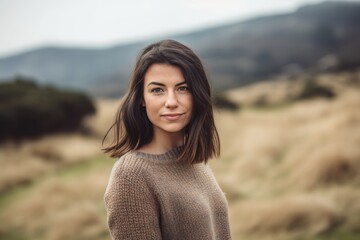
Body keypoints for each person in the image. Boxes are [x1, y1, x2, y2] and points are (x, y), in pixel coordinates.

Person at [103, 39, 232, 240]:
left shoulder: (193, 158)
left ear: (197, 94)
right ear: (141, 100)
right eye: (157, 90)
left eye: (183, 88)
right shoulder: (130, 178)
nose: (171, 102)